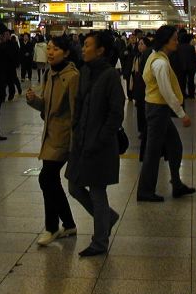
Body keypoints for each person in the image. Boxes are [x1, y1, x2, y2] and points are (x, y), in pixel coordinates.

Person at [65, 31, 124, 257]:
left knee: (97, 191)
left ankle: (99, 241)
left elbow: (116, 113)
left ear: (100, 50)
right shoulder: (85, 71)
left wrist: (101, 138)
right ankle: (107, 218)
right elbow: (79, 102)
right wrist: (76, 127)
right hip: (81, 141)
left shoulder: (110, 76)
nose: (83, 48)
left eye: (88, 45)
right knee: (74, 186)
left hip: (100, 145)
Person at [25, 36, 79, 246]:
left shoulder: (72, 77)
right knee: (50, 180)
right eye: (48, 48)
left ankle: (52, 227)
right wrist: (33, 101)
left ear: (66, 53)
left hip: (63, 137)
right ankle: (68, 224)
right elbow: (45, 107)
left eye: (55, 49)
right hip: (50, 134)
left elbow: (76, 113)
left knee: (46, 178)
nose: (50, 52)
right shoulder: (49, 73)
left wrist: (75, 147)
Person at [137, 25, 195, 202]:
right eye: (174, 39)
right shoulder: (160, 63)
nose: (177, 42)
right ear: (164, 41)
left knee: (175, 146)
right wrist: (181, 113)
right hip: (158, 110)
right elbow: (166, 91)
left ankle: (176, 184)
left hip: (157, 109)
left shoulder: (156, 56)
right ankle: (145, 191)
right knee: (153, 152)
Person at [130, 36, 152, 161]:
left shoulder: (148, 57)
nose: (140, 46)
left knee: (143, 109)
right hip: (139, 86)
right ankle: (141, 129)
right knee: (140, 109)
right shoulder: (138, 56)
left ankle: (144, 130)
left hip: (143, 87)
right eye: (139, 44)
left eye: (142, 44)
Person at [176, 30, 196, 98]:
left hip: (181, 66)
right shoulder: (191, 47)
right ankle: (191, 94)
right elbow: (193, 57)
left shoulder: (178, 47)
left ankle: (183, 94)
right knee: (191, 81)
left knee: (182, 81)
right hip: (191, 66)